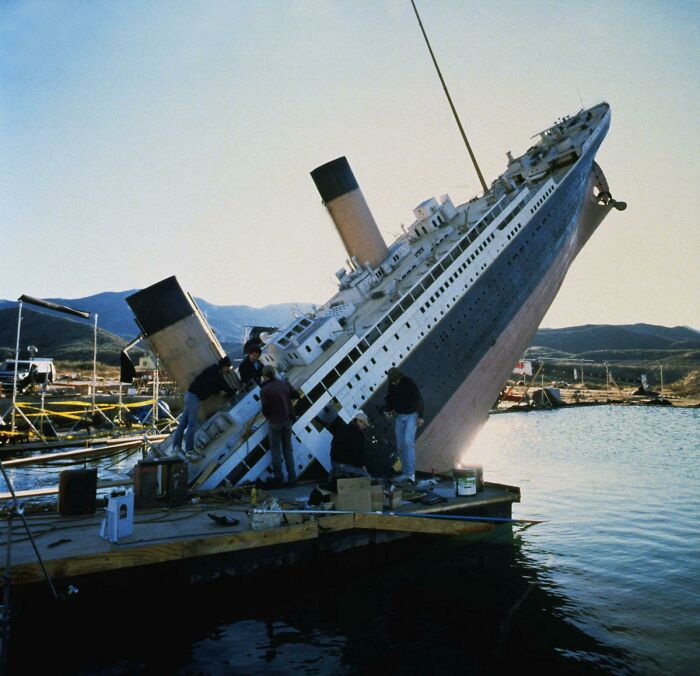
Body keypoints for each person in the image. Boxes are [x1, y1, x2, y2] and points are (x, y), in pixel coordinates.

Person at [172, 356, 236, 457]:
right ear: (224, 367)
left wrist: (222, 390)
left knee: (183, 423)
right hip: (194, 398)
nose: (227, 370)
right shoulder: (216, 374)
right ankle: (189, 450)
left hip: (190, 395)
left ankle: (176, 446)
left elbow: (220, 384)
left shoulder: (213, 370)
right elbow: (219, 386)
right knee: (192, 424)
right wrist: (227, 392)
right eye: (227, 368)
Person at [260, 365, 300, 485]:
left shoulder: (264, 390)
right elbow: (296, 395)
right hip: (288, 420)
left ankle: (279, 477)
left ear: (265, 376)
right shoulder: (284, 383)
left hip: (275, 423)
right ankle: (292, 478)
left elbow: (265, 409)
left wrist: (270, 416)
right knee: (288, 450)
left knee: (276, 451)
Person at [384, 367, 424, 483]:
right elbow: (390, 399)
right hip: (399, 416)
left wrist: (420, 416)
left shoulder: (408, 382)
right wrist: (388, 411)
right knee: (400, 445)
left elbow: (419, 399)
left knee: (408, 442)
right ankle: (405, 473)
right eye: (392, 381)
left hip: (412, 415)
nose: (394, 383)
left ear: (399, 377)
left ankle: (411, 474)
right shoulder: (392, 385)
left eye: (395, 380)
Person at [330, 411, 370, 480]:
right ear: (359, 421)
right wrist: (362, 466)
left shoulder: (346, 428)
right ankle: (341, 475)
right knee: (365, 476)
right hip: (341, 464)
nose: (365, 427)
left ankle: (339, 473)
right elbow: (355, 454)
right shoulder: (356, 434)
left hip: (334, 461)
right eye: (364, 425)